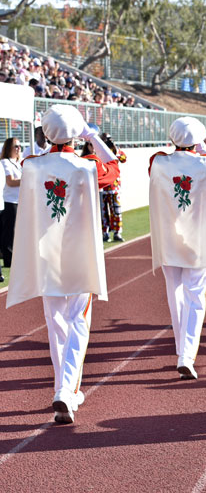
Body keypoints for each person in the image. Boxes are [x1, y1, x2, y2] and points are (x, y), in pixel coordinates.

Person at [6, 105, 119, 424]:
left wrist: (54, 134)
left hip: (47, 256)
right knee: (78, 322)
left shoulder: (31, 164)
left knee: (56, 323)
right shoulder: (88, 166)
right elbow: (115, 166)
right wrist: (91, 134)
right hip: (78, 256)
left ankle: (64, 387)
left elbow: (34, 155)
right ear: (74, 133)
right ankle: (66, 390)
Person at [148, 117, 206, 380]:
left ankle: (180, 348)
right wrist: (204, 148)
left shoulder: (159, 161)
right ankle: (186, 354)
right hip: (197, 239)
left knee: (175, 294)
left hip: (169, 238)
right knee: (195, 296)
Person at [99, 132, 126, 242]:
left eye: (109, 139)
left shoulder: (114, 150)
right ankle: (105, 233)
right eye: (105, 140)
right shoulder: (97, 150)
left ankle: (117, 233)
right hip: (102, 187)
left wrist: (115, 148)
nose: (107, 141)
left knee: (116, 211)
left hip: (114, 187)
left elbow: (124, 159)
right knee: (103, 212)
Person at [1, 137, 23, 270]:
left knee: (18, 231)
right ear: (9, 147)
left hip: (20, 200)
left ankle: (16, 257)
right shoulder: (5, 162)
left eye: (19, 146)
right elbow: (10, 181)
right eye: (15, 146)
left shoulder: (19, 162)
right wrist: (27, 179)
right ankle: (8, 259)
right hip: (10, 200)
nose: (18, 148)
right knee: (9, 231)